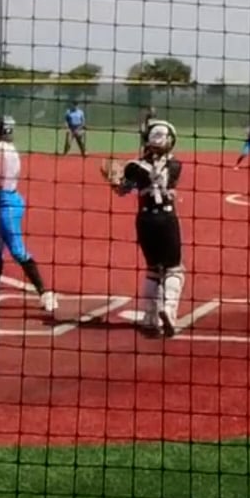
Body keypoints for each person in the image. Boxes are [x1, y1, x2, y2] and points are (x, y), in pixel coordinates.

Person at [101, 119, 186, 339]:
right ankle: (169, 309)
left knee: (152, 269)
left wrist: (113, 180)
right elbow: (164, 179)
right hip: (167, 219)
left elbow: (122, 190)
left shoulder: (134, 167)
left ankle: (149, 317)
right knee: (174, 270)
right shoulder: (176, 165)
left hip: (145, 221)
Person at [0, 114, 59, 318]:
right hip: (8, 200)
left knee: (16, 250)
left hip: (4, 203)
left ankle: (45, 292)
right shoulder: (8, 148)